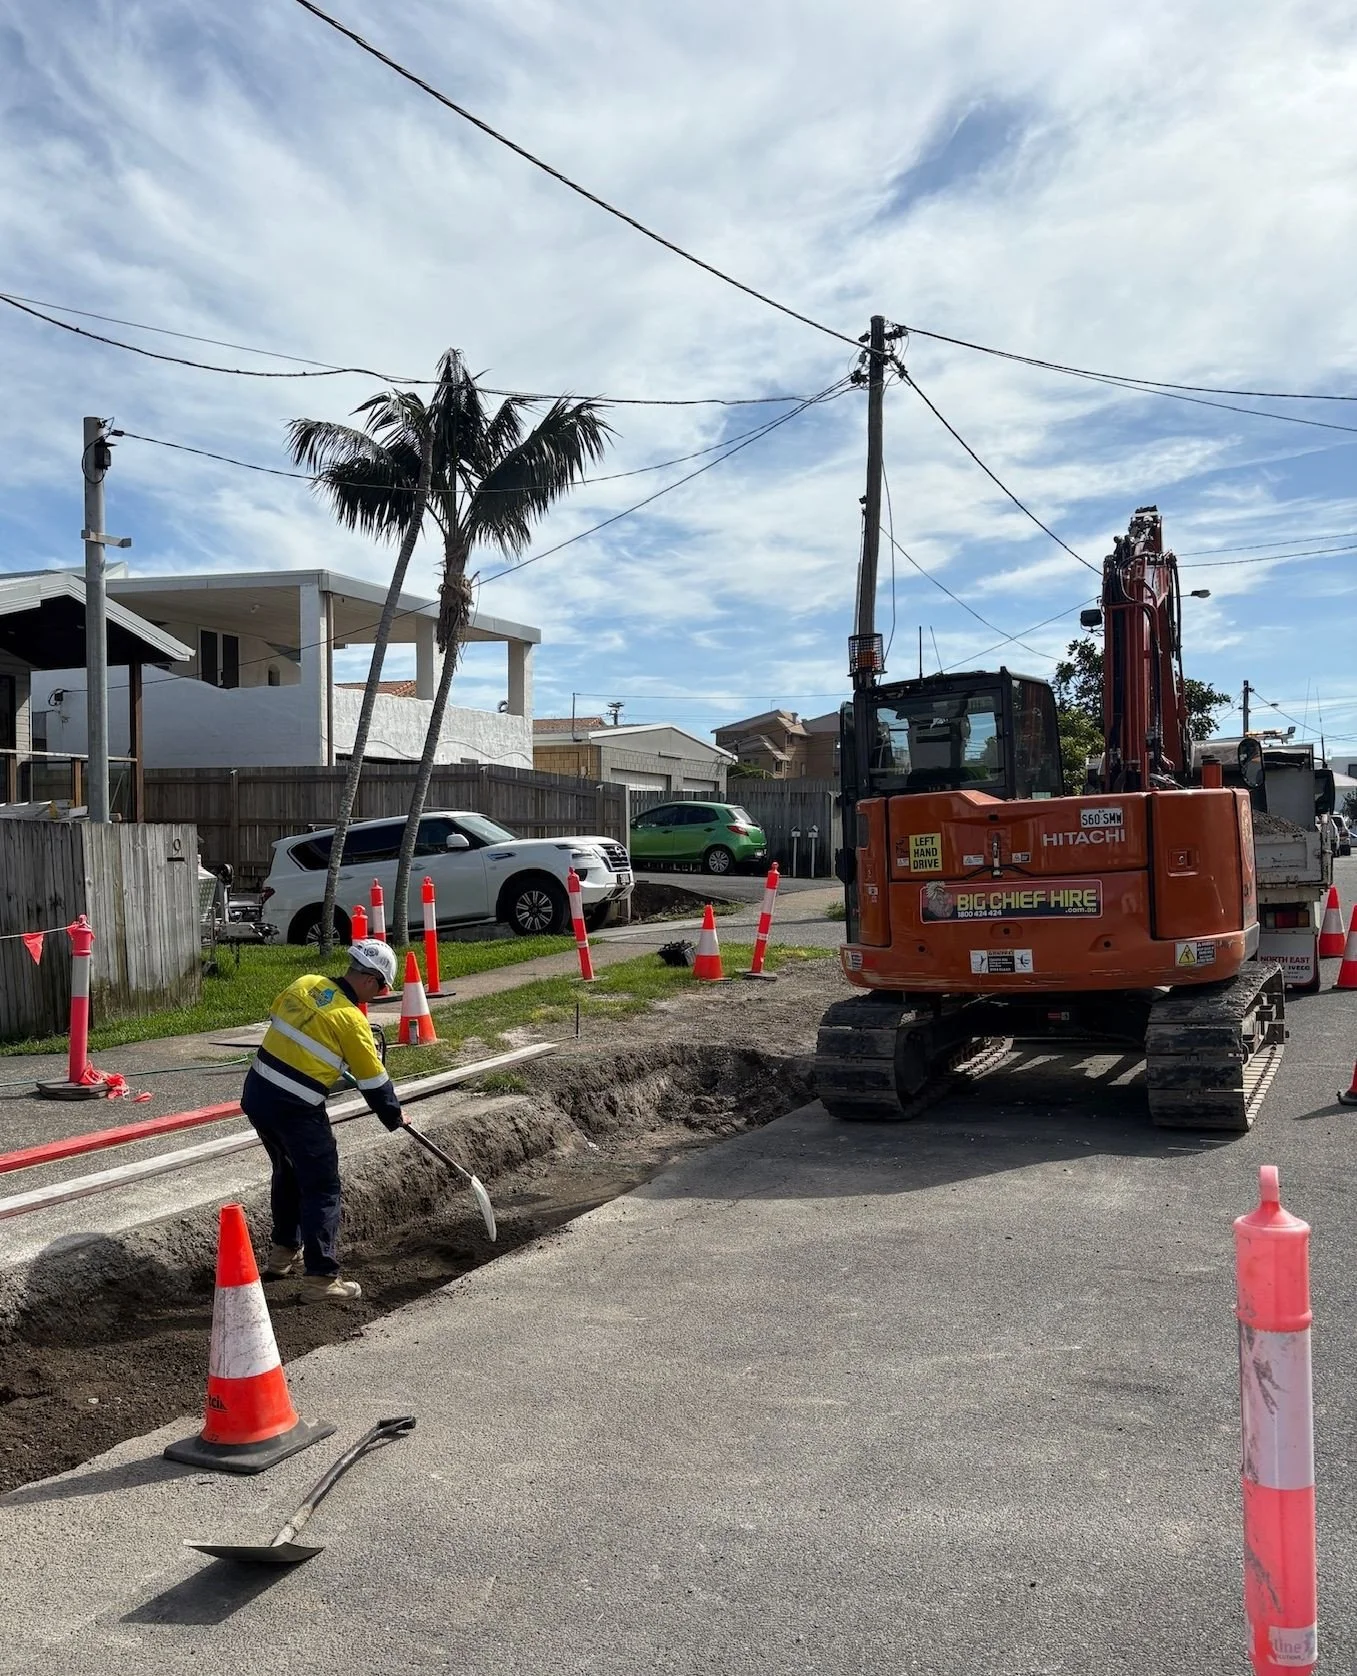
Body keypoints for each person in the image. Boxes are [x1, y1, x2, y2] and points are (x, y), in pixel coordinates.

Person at [241, 939, 405, 1302]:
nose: (377, 996)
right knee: (322, 1186)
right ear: (370, 980)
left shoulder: (306, 983)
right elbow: (374, 1081)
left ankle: (283, 1252)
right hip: (296, 1108)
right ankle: (321, 1279)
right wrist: (394, 1116)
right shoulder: (351, 1021)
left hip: (257, 1095)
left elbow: (280, 1020)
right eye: (381, 988)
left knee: (286, 1169)